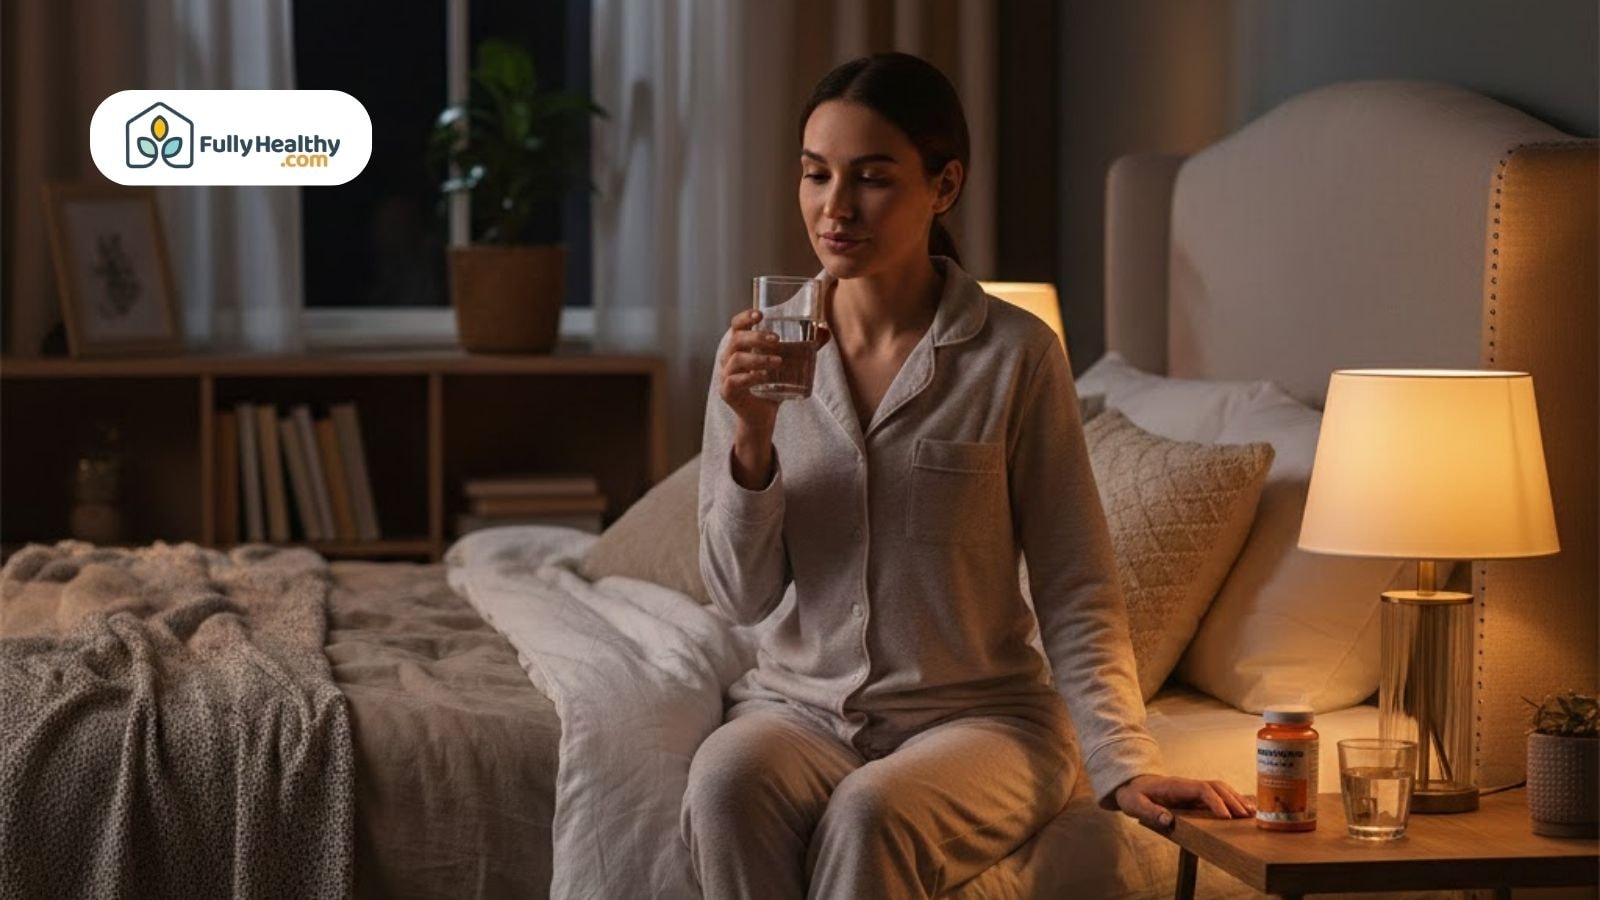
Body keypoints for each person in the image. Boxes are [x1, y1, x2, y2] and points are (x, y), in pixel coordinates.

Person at [684, 52, 1252, 900]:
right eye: (816, 174)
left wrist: (1123, 762)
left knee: (871, 813)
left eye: (872, 178)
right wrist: (753, 436)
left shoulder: (1015, 356)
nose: (835, 207)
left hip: (982, 722)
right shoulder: (762, 355)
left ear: (944, 185)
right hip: (801, 709)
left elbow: (1075, 580)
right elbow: (739, 598)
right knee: (724, 784)